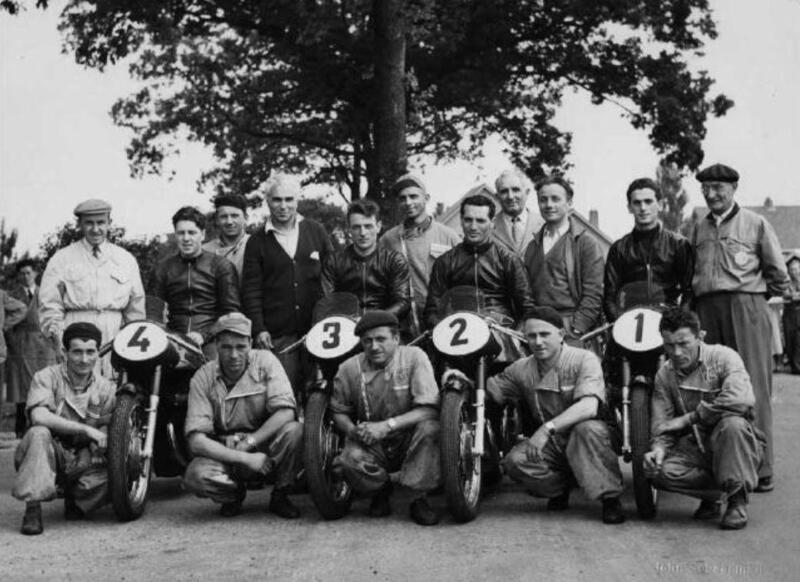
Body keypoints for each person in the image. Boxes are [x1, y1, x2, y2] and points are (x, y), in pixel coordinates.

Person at [689, 163, 789, 493]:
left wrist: (753, 303)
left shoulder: (755, 223)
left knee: (753, 387)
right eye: (707, 188)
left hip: (746, 305)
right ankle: (721, 465)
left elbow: (778, 275)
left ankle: (761, 467)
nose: (712, 194)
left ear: (734, 189)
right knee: (712, 386)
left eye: (719, 187)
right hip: (707, 308)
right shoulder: (697, 227)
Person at [487, 306, 625, 524]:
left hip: (594, 434)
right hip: (555, 442)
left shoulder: (584, 359)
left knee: (585, 429)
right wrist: (460, 378)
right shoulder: (521, 368)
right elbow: (491, 391)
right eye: (531, 336)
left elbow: (589, 406)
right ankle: (560, 487)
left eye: (545, 334)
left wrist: (545, 429)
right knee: (515, 462)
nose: (538, 342)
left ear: (561, 334)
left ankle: (609, 498)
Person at [644, 308, 763, 530]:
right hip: (696, 446)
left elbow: (741, 399)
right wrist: (658, 451)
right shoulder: (664, 375)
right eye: (669, 345)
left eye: (684, 343)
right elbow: (663, 425)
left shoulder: (723, 357)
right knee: (658, 473)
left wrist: (691, 417)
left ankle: (737, 501)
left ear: (701, 337)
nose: (677, 352)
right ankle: (715, 494)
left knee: (733, 424)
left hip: (736, 443)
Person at [183, 313, 303, 519]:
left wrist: (251, 441)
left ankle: (281, 494)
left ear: (250, 343)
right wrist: (245, 458)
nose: (234, 355)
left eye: (241, 347)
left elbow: (286, 412)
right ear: (216, 345)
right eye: (226, 347)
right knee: (196, 477)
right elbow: (196, 442)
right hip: (227, 447)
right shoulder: (203, 376)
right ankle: (233, 495)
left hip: (265, 442)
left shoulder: (266, 361)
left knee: (295, 431)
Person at [329, 311, 441, 525]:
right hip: (371, 439)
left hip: (409, 436)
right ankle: (380, 489)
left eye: (381, 339)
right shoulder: (348, 368)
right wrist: (354, 431)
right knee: (347, 460)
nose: (374, 346)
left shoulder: (414, 357)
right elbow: (339, 412)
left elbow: (430, 409)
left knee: (430, 429)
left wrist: (387, 426)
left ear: (396, 339)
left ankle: (417, 497)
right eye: (367, 341)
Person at [12, 322, 116, 535]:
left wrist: (101, 442)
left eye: (90, 352)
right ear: (64, 351)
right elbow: (38, 415)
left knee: (122, 469)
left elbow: (106, 428)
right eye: (77, 352)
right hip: (47, 452)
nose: (84, 359)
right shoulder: (46, 377)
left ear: (99, 352)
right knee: (38, 433)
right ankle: (33, 508)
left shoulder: (107, 388)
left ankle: (77, 499)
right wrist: (85, 430)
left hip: (82, 459)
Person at [241, 174, 332, 397]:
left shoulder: (315, 231)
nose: (283, 206)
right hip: (278, 333)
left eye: (289, 199)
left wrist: (328, 314)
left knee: (320, 391)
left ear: (297, 200)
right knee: (284, 393)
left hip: (317, 328)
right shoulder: (256, 241)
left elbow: (332, 274)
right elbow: (251, 289)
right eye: (277, 200)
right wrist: (259, 328)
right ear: (268, 201)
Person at [39, 199, 145, 374]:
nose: (95, 229)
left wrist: (133, 342)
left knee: (119, 392)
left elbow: (136, 307)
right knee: (77, 391)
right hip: (76, 336)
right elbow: (49, 305)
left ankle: (119, 401)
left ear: (109, 223)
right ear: (80, 224)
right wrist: (59, 340)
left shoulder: (125, 259)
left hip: (115, 338)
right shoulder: (62, 259)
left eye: (101, 222)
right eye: (89, 223)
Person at [424, 194, 533, 332]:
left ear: (492, 223)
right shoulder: (445, 262)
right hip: (456, 332)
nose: (473, 227)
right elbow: (432, 310)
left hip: (500, 332)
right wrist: (443, 331)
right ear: (461, 221)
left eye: (480, 221)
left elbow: (527, 308)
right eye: (468, 220)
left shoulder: (509, 260)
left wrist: (516, 337)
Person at [151, 206, 241, 358]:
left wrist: (204, 335)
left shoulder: (221, 266)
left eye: (192, 232)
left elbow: (231, 312)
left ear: (203, 234)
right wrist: (168, 336)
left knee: (214, 365)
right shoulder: (162, 269)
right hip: (172, 338)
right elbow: (152, 314)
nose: (186, 238)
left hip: (212, 338)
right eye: (181, 233)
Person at [524, 175, 604, 343]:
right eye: (543, 200)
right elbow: (528, 292)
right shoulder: (533, 246)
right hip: (540, 326)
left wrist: (577, 328)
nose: (549, 205)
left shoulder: (585, 243)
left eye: (555, 199)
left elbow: (594, 293)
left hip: (572, 325)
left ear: (569, 203)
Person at [379, 174, 460, 337]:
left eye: (413, 196)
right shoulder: (388, 239)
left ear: (426, 198)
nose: (408, 203)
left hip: (442, 321)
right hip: (404, 325)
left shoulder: (448, 236)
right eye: (402, 198)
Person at [603, 178, 693, 321]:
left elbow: (689, 291)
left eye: (648, 201)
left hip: (667, 322)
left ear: (660, 205)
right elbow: (609, 296)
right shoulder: (619, 248)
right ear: (629, 207)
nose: (643, 208)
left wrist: (677, 322)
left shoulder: (679, 244)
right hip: (629, 320)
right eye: (637, 203)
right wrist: (619, 322)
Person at [321, 199, 410, 321]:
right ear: (349, 229)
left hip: (384, 326)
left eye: (368, 226)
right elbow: (327, 302)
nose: (362, 233)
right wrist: (348, 321)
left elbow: (402, 303)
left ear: (378, 227)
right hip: (346, 327)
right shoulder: (334, 261)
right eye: (356, 227)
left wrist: (372, 320)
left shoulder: (395, 260)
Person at [5, 259, 56, 438]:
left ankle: (42, 423)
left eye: (28, 273)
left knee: (42, 383)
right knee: (21, 387)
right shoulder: (12, 295)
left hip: (42, 345)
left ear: (35, 274)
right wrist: (10, 339)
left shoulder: (46, 293)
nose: (25, 277)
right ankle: (20, 427)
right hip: (19, 344)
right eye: (22, 273)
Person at [491, 169, 543, 257]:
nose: (510, 197)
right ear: (497, 197)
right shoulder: (488, 226)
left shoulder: (544, 224)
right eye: (504, 191)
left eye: (515, 190)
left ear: (527, 192)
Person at [203, 194, 251, 281]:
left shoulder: (258, 245)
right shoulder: (205, 250)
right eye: (224, 217)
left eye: (235, 216)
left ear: (245, 218)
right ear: (217, 220)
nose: (229, 222)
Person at [783, 255, 800, 374]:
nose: (795, 272)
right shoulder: (786, 282)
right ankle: (794, 366)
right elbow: (786, 295)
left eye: (797, 269)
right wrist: (794, 296)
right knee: (790, 338)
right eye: (792, 269)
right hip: (790, 313)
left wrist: (794, 296)